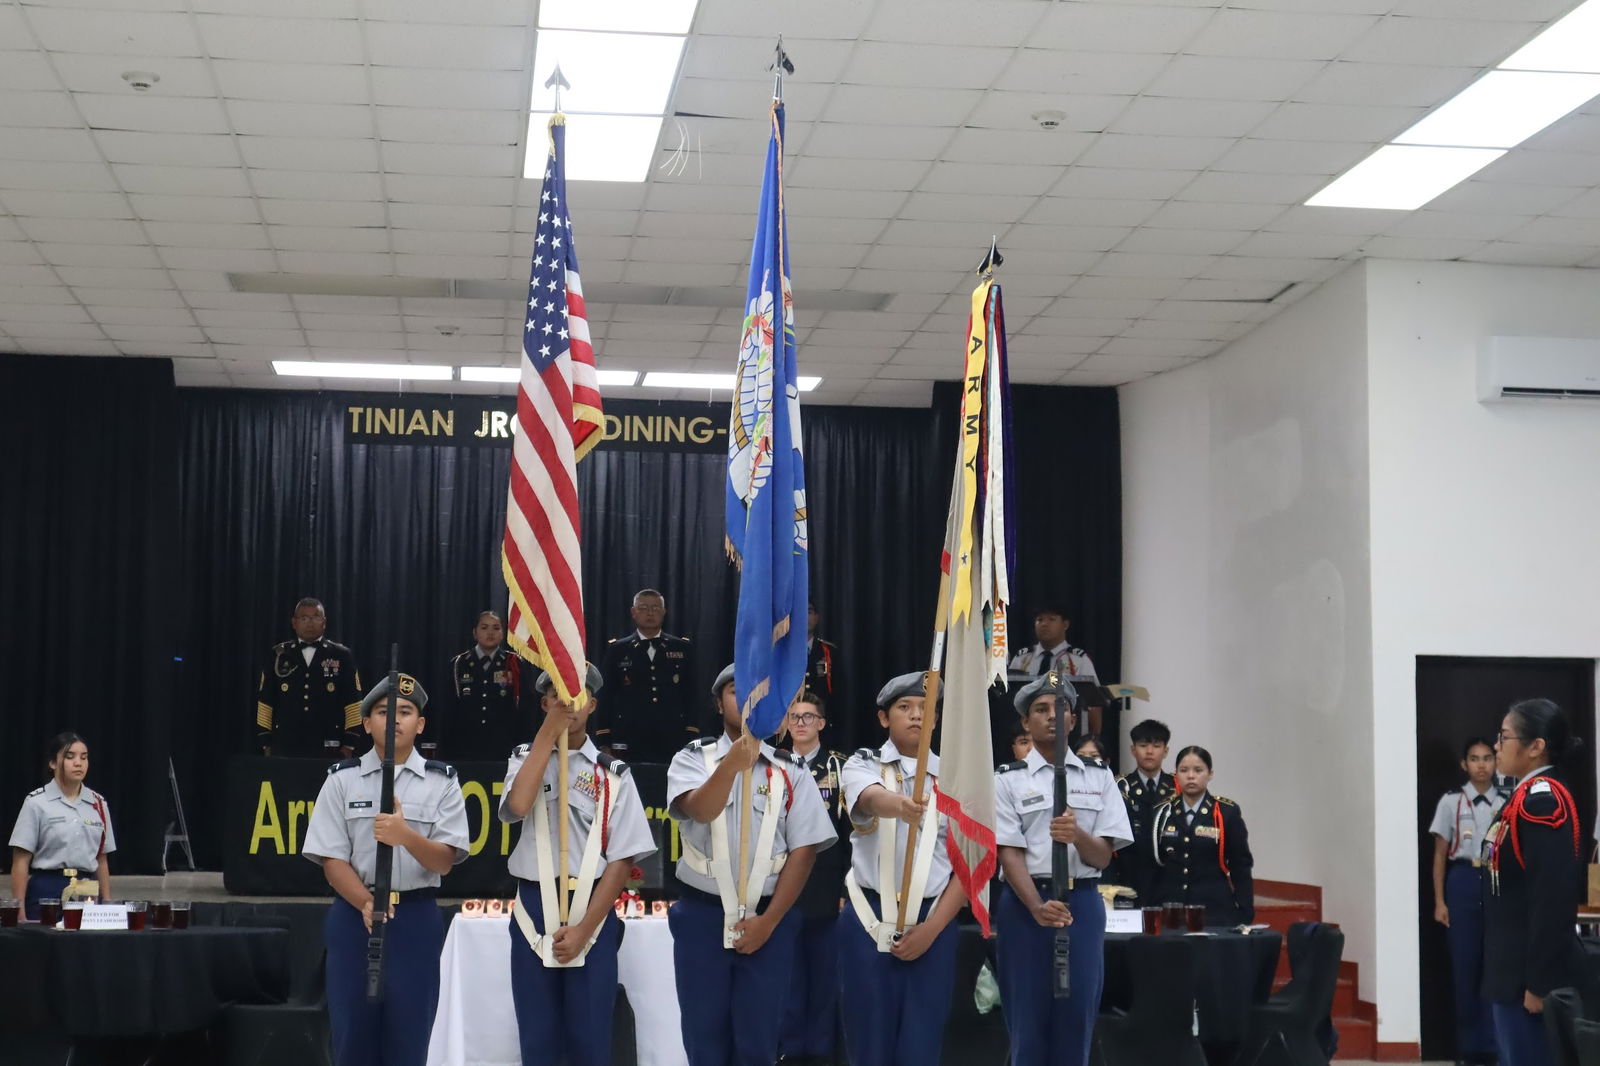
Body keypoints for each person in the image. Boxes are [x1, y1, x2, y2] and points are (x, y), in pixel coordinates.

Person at [667, 663, 836, 1066]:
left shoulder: (791, 770)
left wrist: (770, 921)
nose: (746, 700)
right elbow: (701, 810)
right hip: (702, 916)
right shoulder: (694, 759)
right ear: (717, 702)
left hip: (769, 918)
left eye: (757, 692)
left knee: (760, 1040)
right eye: (735, 691)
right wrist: (732, 763)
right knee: (704, 1037)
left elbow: (804, 851)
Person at [301, 673, 469, 1066]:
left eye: (405, 711)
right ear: (367, 723)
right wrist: (364, 902)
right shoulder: (341, 781)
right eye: (383, 711)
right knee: (352, 1037)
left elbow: (444, 860)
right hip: (354, 917)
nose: (394, 719)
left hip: (415, 918)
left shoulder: (441, 782)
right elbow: (331, 859)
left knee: (410, 1037)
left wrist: (405, 835)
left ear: (420, 724)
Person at [500, 663, 656, 1066]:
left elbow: (623, 859)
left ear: (592, 704)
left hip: (593, 908)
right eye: (558, 694)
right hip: (535, 906)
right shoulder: (524, 758)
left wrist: (586, 928)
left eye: (577, 694)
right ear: (545, 702)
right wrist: (546, 737)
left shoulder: (614, 775)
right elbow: (517, 806)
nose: (568, 702)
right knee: (538, 1037)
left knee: (589, 1036)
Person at [994, 676, 1130, 1066]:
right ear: (1025, 722)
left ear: (1073, 719)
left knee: (1077, 1019)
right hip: (1025, 906)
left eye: (1061, 709)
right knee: (1027, 1022)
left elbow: (1104, 857)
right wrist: (1037, 906)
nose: (1052, 717)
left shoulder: (1099, 775)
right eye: (1041, 709)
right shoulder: (1007, 778)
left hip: (1081, 902)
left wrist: (1078, 836)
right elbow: (1008, 852)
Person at [838, 672, 969, 1066]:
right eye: (904, 708)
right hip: (869, 917)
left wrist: (931, 931)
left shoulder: (958, 778)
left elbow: (969, 866)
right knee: (868, 1042)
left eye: (925, 709)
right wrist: (902, 806)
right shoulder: (864, 763)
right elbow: (871, 799)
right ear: (884, 718)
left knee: (921, 1044)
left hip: (933, 919)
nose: (916, 716)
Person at [1483, 698, 1586, 1066]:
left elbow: (1552, 897)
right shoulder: (1524, 795)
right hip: (1509, 968)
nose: (1496, 745)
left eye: (1505, 736)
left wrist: (1540, 982)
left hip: (1528, 977)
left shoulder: (1542, 801)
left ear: (1536, 747)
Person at [776, 690, 851, 1066]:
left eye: (808, 716)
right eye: (794, 716)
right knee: (786, 978)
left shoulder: (841, 768)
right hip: (780, 889)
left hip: (826, 889)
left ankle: (820, 1053)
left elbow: (855, 836)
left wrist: (844, 889)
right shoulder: (773, 765)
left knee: (824, 980)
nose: (801, 723)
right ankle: (790, 1052)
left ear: (821, 723)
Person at [1428, 736, 1505, 1066]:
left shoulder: (1507, 801)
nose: (1482, 765)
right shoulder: (1452, 802)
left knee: (1496, 966)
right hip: (1461, 882)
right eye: (1474, 759)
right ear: (1464, 764)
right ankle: (1468, 1049)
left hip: (1496, 880)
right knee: (1464, 967)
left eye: (1488, 758)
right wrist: (1439, 901)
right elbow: (1440, 855)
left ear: (1495, 762)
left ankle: (1495, 1047)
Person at [9, 732, 113, 920]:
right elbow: (20, 860)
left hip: (86, 889)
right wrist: (18, 911)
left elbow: (102, 859)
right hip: (47, 887)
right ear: (53, 763)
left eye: (84, 757)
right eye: (70, 756)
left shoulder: (98, 804)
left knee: (84, 948)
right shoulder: (36, 802)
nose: (78, 763)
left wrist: (107, 905)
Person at [1148, 745, 1253, 927]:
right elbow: (1152, 864)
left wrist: (1244, 910)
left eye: (1198, 770)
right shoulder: (1162, 811)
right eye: (1184, 770)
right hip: (1171, 910)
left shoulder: (1225, 812)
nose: (1190, 776)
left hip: (1214, 910)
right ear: (1176, 774)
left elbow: (1240, 865)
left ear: (1210, 774)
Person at [594, 589, 698, 763]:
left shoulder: (682, 648)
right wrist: (604, 738)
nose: (650, 613)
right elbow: (606, 696)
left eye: (656, 608)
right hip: (628, 737)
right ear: (633, 612)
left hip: (673, 737)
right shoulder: (617, 650)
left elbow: (693, 695)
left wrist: (692, 733)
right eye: (643, 608)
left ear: (664, 612)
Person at [256, 597, 363, 758]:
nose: (310, 622)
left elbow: (353, 704)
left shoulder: (341, 655)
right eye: (304, 618)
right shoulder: (279, 654)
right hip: (285, 744)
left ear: (324, 622)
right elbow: (266, 702)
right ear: (294, 623)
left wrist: (349, 744)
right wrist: (266, 743)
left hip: (329, 745)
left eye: (315, 617)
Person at [1007, 601, 1102, 735]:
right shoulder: (1022, 658)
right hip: (1025, 732)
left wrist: (1092, 739)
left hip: (1069, 733)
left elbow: (1094, 704)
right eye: (1039, 620)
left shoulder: (1079, 660)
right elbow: (1009, 697)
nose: (1044, 624)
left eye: (1051, 619)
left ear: (1065, 624)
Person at [446, 610, 531, 760]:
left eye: (496, 628)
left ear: (503, 633)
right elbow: (449, 709)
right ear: (475, 632)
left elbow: (525, 707)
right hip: (465, 747)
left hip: (505, 747)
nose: (490, 632)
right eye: (484, 628)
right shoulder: (459, 664)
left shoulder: (514, 663)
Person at [1113, 718, 1174, 901]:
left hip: (1168, 881)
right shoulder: (1120, 787)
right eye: (1143, 745)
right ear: (1133, 750)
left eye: (1156, 746)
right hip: (1129, 879)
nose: (1149, 751)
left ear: (1166, 751)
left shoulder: (1176, 787)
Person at [804, 601, 839, 705]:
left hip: (821, 713)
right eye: (801, 612)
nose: (805, 616)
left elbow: (837, 689)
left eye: (809, 612)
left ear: (816, 618)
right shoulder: (785, 652)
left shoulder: (829, 651)